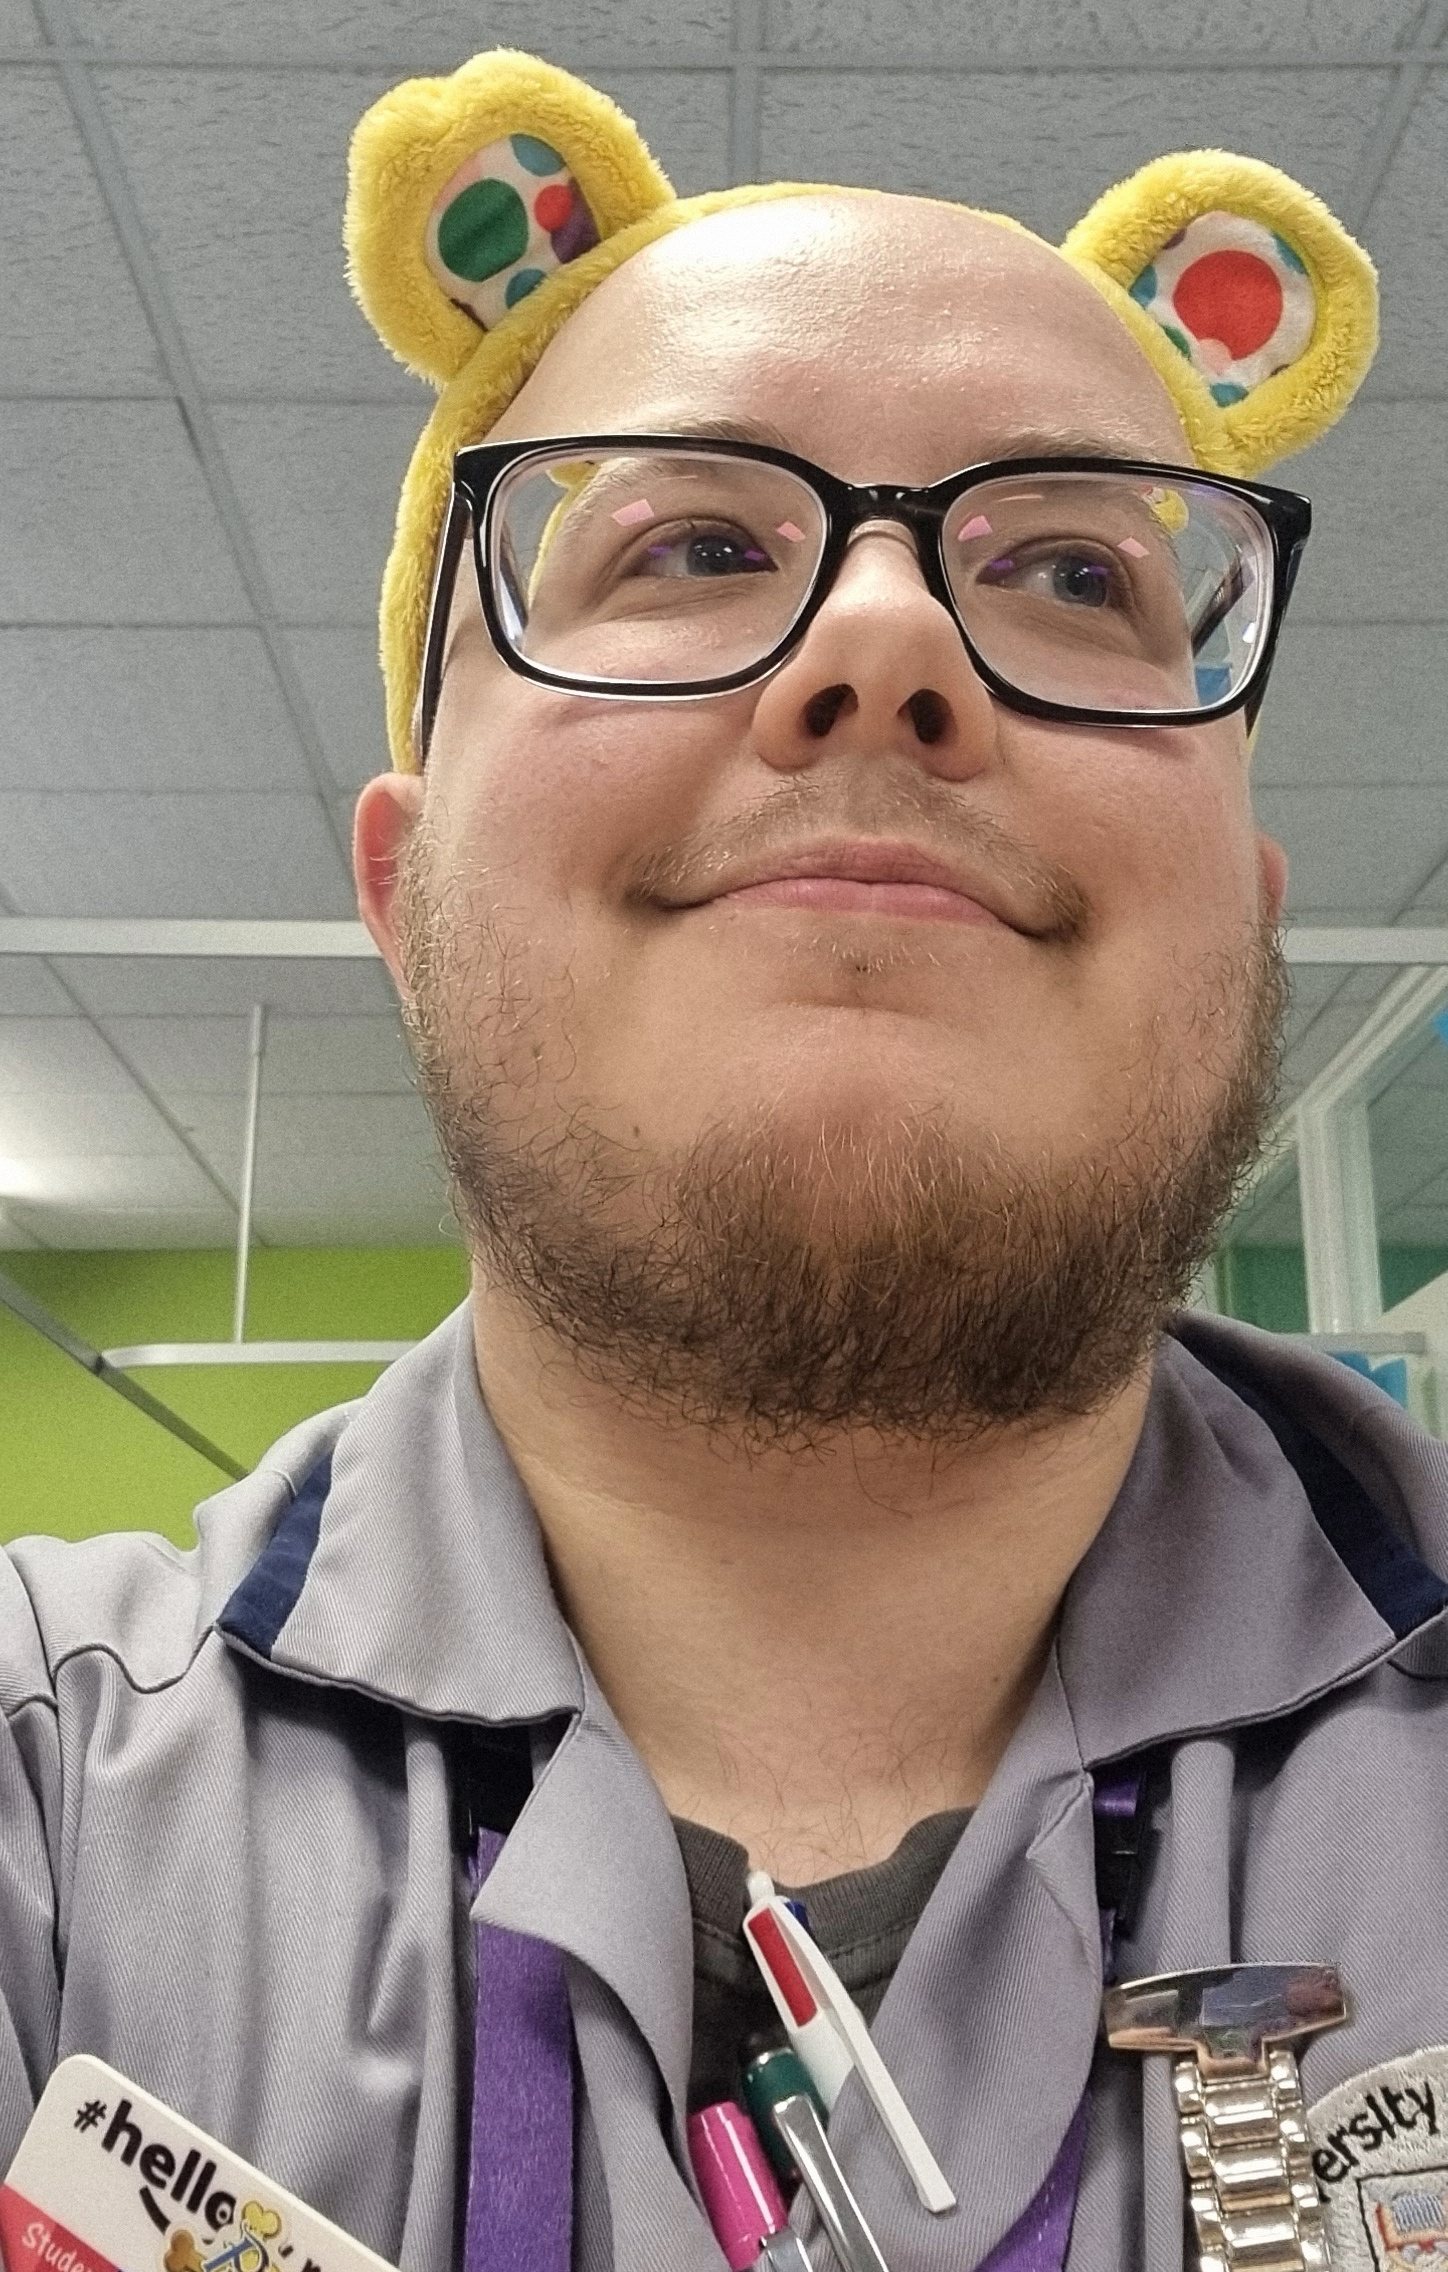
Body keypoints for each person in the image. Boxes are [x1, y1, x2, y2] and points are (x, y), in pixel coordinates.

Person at [1, 46, 1444, 2272]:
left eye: (1067, 566)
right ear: (404, 894)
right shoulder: (41, 1821)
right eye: (687, 541)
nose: (887, 643)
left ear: (1239, 917)